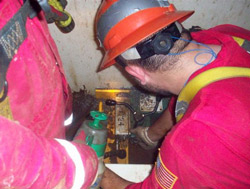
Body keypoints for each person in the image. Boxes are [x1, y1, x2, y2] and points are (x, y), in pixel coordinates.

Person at [95, 0, 250, 188]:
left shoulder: (195, 139)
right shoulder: (228, 34)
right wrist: (152, 134)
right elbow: (188, 92)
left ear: (136, 73)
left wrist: (99, 174)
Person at [0, 0, 98, 188]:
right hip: (30, 152)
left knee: (59, 115)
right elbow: (13, 161)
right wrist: (81, 166)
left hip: (41, 73)